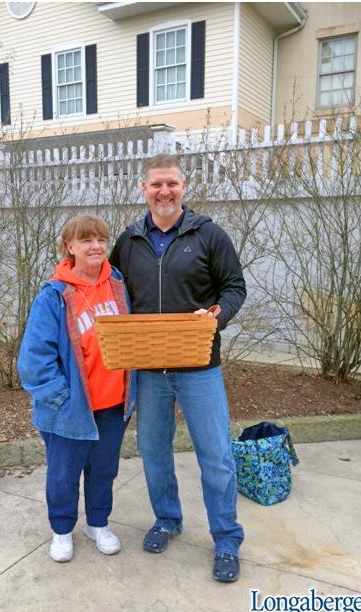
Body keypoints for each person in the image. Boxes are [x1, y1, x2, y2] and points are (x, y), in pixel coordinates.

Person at [110, 154, 246, 582]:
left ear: (183, 187)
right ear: (143, 189)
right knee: (153, 450)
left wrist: (218, 315)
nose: (164, 191)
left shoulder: (208, 235)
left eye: (171, 183)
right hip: (149, 370)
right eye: (156, 185)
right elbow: (111, 290)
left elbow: (235, 287)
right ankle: (167, 518)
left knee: (217, 456)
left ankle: (226, 537)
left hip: (199, 366)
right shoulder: (128, 241)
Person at [18, 215, 135, 563]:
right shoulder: (54, 295)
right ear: (69, 247)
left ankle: (98, 524)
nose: (95, 246)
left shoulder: (117, 285)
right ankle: (62, 530)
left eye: (100, 239)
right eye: (86, 240)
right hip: (71, 408)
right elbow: (34, 360)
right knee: (64, 474)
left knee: (104, 470)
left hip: (113, 405)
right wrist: (63, 400)